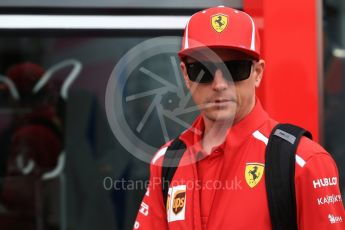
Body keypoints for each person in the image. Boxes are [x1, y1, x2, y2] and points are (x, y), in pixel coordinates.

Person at [133, 6, 345, 230]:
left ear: (258, 73)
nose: (219, 84)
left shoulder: (304, 162)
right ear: (186, 75)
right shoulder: (167, 162)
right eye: (203, 70)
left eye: (235, 69)